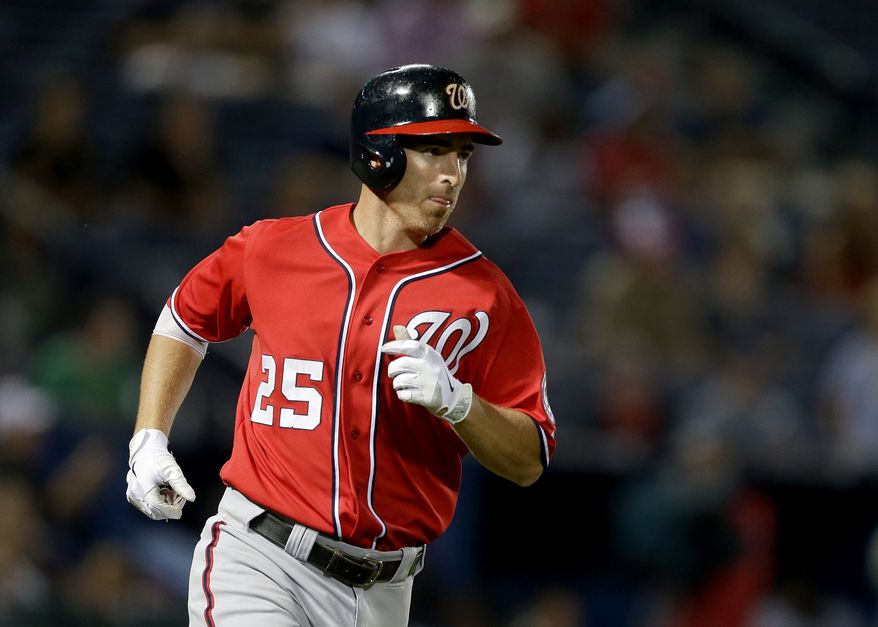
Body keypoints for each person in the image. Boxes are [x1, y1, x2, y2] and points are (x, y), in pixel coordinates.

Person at [124, 63, 557, 626]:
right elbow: (184, 319)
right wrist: (149, 436)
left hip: (385, 591)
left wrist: (461, 404)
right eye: (434, 150)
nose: (452, 174)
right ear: (379, 152)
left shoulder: (484, 295)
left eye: (463, 155)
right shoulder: (273, 249)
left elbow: (529, 460)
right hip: (259, 557)